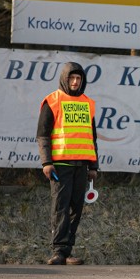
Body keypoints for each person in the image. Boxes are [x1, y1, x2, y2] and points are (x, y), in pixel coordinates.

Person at [36, 62, 99, 265]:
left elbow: (92, 137)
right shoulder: (52, 101)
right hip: (60, 165)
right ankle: (58, 251)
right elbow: (43, 135)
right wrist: (46, 162)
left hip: (81, 165)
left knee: (76, 208)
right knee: (60, 207)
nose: (75, 82)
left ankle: (67, 250)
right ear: (64, 78)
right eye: (71, 78)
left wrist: (93, 166)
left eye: (78, 78)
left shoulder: (88, 103)